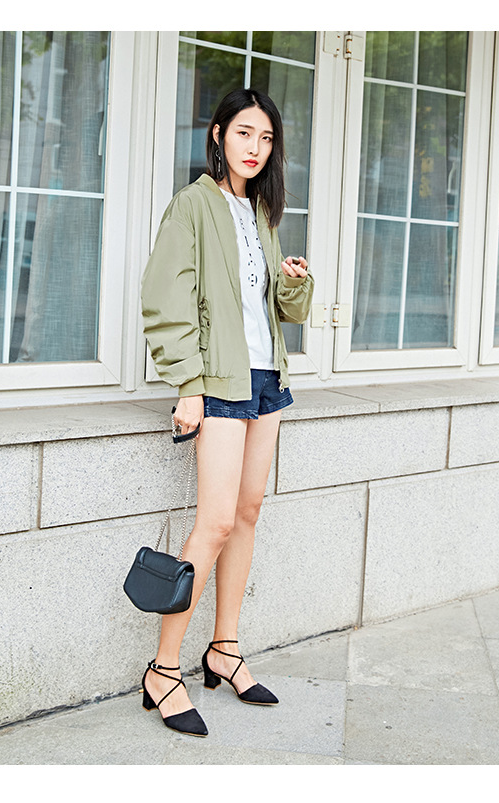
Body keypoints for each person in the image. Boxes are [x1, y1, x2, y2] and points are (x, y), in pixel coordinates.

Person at [140, 88, 314, 737]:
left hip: (265, 378)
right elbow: (165, 298)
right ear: (217, 135)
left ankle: (225, 649)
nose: (255, 147)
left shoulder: (260, 212)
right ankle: (164, 670)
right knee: (213, 522)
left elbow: (279, 312)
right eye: (244, 133)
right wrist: (187, 384)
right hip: (217, 381)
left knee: (247, 513)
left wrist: (292, 280)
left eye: (265, 138)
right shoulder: (193, 204)